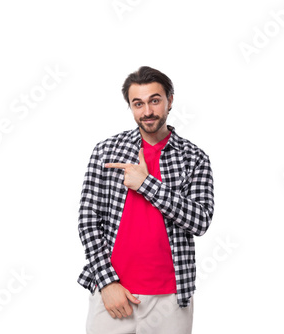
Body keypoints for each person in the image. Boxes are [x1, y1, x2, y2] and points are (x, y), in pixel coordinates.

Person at [77, 66, 214, 334]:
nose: (147, 111)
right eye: (138, 103)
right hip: (114, 294)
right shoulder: (106, 151)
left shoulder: (194, 158)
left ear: (169, 100)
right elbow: (88, 221)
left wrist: (146, 184)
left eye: (154, 100)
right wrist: (107, 283)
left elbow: (200, 221)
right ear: (130, 106)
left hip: (171, 299)